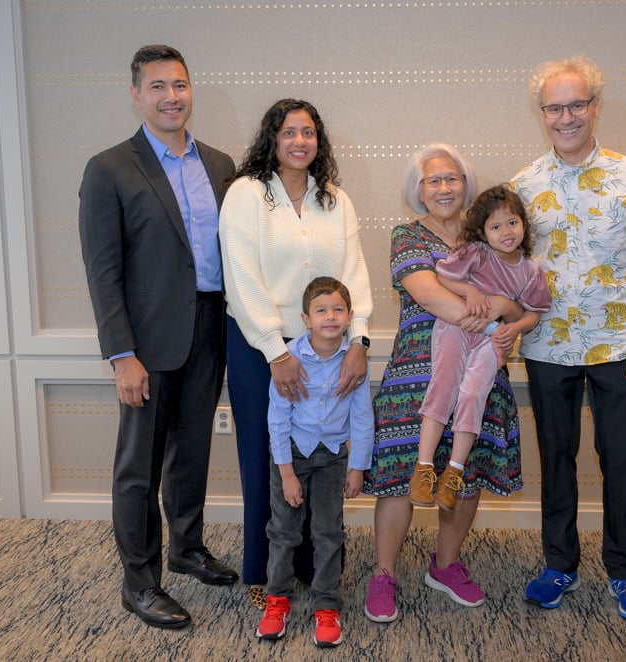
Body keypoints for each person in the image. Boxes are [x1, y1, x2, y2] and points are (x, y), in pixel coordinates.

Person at [78, 44, 239, 629]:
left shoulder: (221, 164)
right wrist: (123, 355)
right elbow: (104, 270)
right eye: (158, 87)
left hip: (212, 328)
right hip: (146, 342)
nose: (172, 97)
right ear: (136, 95)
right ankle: (140, 583)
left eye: (180, 85)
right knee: (139, 465)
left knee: (192, 449)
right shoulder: (110, 168)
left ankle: (188, 549)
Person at [510, 55, 626, 620]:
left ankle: (625, 573)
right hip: (548, 346)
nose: (565, 117)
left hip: (621, 344)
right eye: (554, 107)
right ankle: (559, 565)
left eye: (576, 104)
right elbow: (511, 268)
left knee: (622, 459)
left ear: (595, 106)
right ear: (542, 114)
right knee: (556, 458)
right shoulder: (523, 186)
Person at [363, 143, 528, 622]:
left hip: (479, 375)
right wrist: (498, 323)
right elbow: (432, 298)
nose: (443, 188)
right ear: (418, 191)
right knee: (399, 479)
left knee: (465, 473)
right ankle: (383, 573)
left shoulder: (490, 239)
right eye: (432, 180)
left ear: (466, 184)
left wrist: (507, 311)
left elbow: (520, 298)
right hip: (418, 373)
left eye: (451, 178)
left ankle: (446, 565)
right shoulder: (408, 237)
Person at [219, 99, 373, 611]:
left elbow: (353, 272)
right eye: (289, 132)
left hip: (327, 342)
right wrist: (274, 351)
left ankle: (314, 567)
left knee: (324, 451)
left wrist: (360, 341)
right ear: (272, 138)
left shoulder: (335, 200)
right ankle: (266, 568)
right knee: (269, 455)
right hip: (260, 346)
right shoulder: (246, 194)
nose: (300, 141)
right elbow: (240, 274)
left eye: (308, 132)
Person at [412, 185, 553, 512]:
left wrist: (514, 328)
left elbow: (534, 313)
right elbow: (443, 278)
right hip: (457, 329)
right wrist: (469, 292)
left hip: (493, 340)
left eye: (512, 223)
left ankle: (453, 474)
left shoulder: (531, 272)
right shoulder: (475, 253)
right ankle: (423, 468)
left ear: (523, 225)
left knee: (474, 394)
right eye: (496, 226)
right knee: (445, 385)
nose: (506, 232)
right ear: (483, 232)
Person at [256, 277, 374, 648]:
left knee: (328, 533)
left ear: (350, 316)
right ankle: (277, 600)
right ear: (306, 318)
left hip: (333, 458)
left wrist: (357, 467)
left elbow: (362, 418)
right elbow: (277, 419)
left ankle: (327, 605)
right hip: (292, 456)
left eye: (338, 309)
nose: (330, 317)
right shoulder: (289, 359)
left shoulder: (355, 362)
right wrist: (286, 473)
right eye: (321, 310)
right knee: (284, 532)